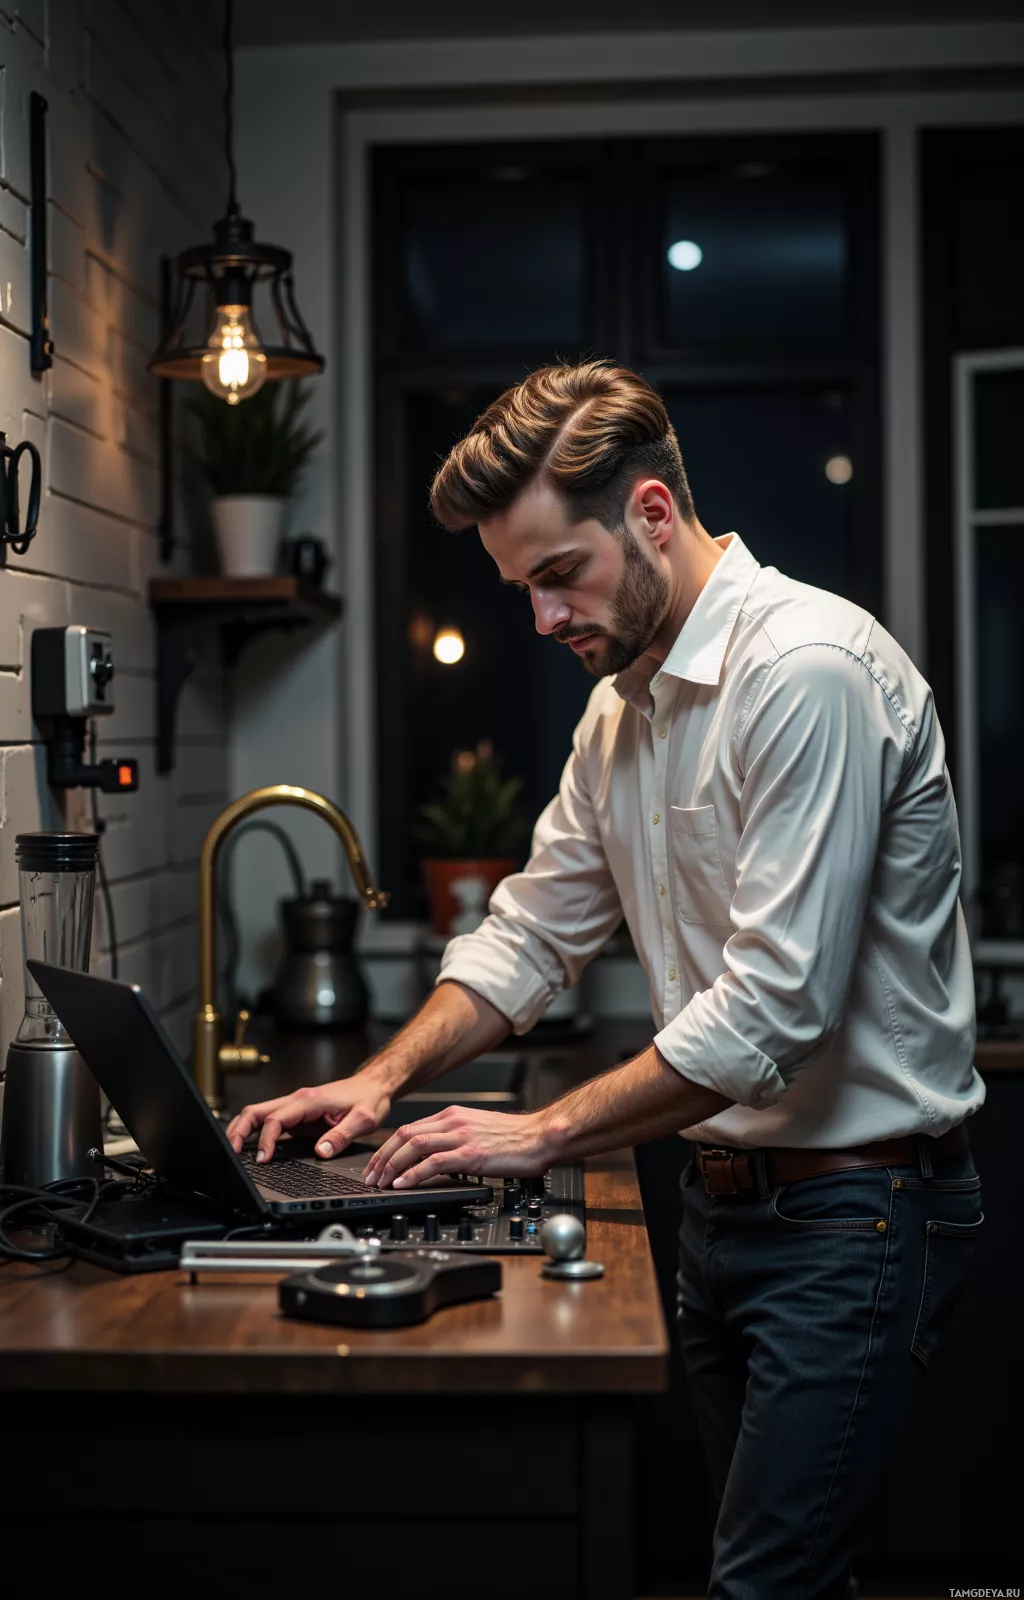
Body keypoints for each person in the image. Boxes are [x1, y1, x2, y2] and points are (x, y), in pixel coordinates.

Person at [227, 360, 984, 1599]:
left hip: (859, 1212)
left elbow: (774, 1009)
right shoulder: (619, 712)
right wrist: (380, 1077)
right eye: (519, 586)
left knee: (763, 1584)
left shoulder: (804, 671)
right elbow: (528, 933)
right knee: (794, 1579)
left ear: (648, 512)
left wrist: (536, 1132)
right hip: (722, 1207)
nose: (541, 617)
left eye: (555, 574)